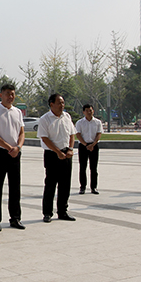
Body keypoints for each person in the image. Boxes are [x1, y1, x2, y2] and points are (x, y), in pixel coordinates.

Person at [0, 84, 26, 231]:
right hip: (0, 153)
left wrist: (18, 147)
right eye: (8, 94)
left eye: (12, 94)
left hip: (15, 153)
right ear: (1, 95)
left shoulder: (17, 112)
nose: (11, 97)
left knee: (15, 187)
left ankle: (15, 218)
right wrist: (8, 147)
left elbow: (21, 132)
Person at [37, 94, 76, 222]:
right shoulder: (45, 119)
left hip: (66, 154)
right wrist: (57, 152)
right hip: (52, 155)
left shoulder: (67, 116)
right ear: (51, 104)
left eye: (63, 102)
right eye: (59, 103)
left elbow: (72, 134)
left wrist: (70, 149)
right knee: (50, 184)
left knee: (65, 184)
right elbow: (44, 138)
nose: (62, 105)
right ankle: (47, 213)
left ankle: (63, 211)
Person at [76, 104, 103, 195]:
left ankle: (94, 187)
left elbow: (99, 134)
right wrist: (86, 144)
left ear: (93, 111)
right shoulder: (80, 123)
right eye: (87, 110)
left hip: (94, 146)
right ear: (83, 112)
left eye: (90, 110)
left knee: (94, 168)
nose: (89, 112)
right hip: (83, 146)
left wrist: (93, 144)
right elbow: (78, 134)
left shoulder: (97, 122)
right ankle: (82, 187)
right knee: (83, 167)